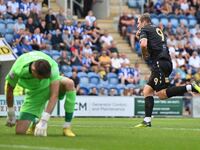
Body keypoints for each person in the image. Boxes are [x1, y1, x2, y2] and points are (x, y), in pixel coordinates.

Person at [134, 13, 200, 127]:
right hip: (166, 62)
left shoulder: (145, 29)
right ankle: (147, 120)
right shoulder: (157, 29)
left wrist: (145, 55)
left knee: (161, 95)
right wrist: (139, 35)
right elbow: (153, 41)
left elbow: (144, 44)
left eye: (138, 23)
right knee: (147, 90)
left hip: (159, 63)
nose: (137, 25)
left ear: (144, 22)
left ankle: (191, 87)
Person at [5, 51, 76, 137]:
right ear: (33, 70)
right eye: (40, 77)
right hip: (35, 93)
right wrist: (10, 112)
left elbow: (54, 95)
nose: (42, 79)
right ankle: (35, 120)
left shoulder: (52, 66)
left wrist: (44, 120)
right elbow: (9, 89)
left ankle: (67, 127)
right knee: (20, 131)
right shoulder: (17, 69)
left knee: (69, 83)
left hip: (50, 85)